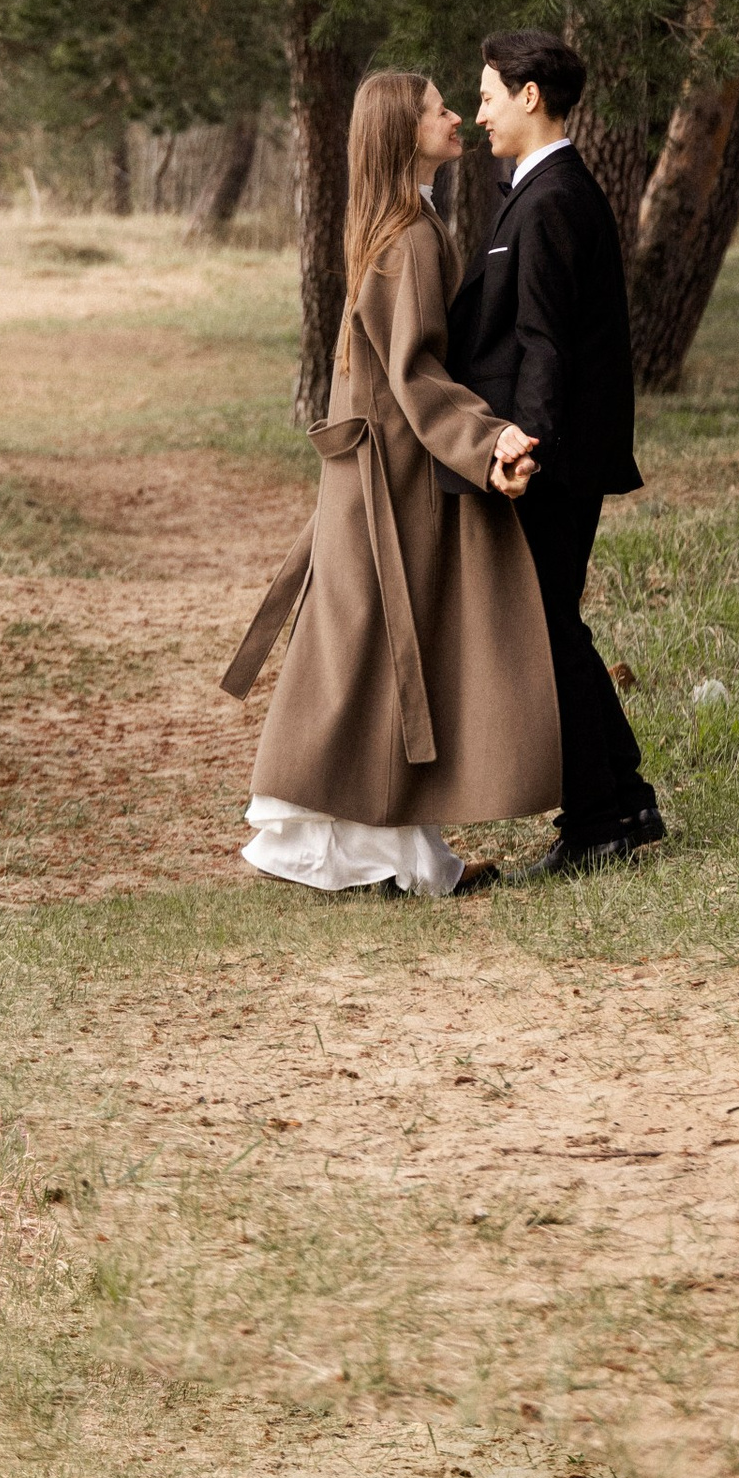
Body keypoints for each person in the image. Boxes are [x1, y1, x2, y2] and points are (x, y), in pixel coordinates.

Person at [223, 67, 560, 897]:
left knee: (373, 652)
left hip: (378, 477)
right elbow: (416, 376)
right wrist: (487, 442)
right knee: (377, 652)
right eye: (439, 110)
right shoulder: (409, 237)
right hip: (392, 483)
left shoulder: (400, 222)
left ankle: (396, 859)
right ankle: (343, 854)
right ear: (402, 132)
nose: (456, 118)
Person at [447, 28, 667, 876]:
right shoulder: (544, 190)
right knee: (556, 627)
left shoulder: (552, 198)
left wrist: (525, 450)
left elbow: (545, 342)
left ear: (529, 95)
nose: (479, 115)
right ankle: (627, 801)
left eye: (487, 97)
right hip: (565, 450)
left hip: (555, 457)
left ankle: (598, 823)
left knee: (543, 635)